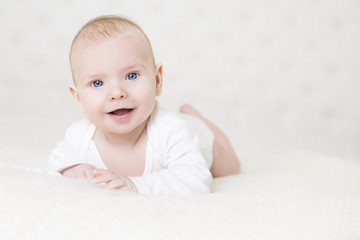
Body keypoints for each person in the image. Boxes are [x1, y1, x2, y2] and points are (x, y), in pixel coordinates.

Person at [49, 15, 240, 195]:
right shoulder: (80, 135)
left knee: (231, 168)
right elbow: (57, 159)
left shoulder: (173, 131)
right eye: (97, 83)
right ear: (78, 98)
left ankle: (198, 118)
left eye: (131, 76)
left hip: (202, 138)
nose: (117, 93)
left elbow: (194, 180)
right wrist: (72, 168)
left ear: (157, 80)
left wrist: (136, 185)